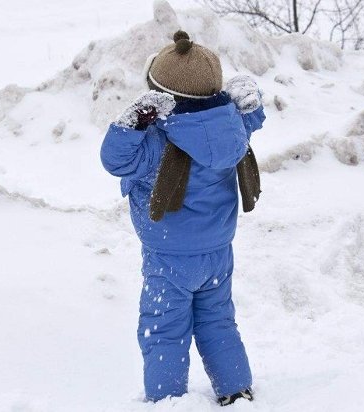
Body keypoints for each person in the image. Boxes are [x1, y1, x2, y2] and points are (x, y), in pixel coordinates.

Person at [100, 30, 266, 406]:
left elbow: (115, 161)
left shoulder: (157, 142)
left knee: (163, 331)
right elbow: (254, 117)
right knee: (218, 321)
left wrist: (132, 124)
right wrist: (251, 100)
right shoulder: (233, 128)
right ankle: (236, 389)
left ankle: (167, 400)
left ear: (162, 98)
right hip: (218, 254)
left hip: (168, 260)